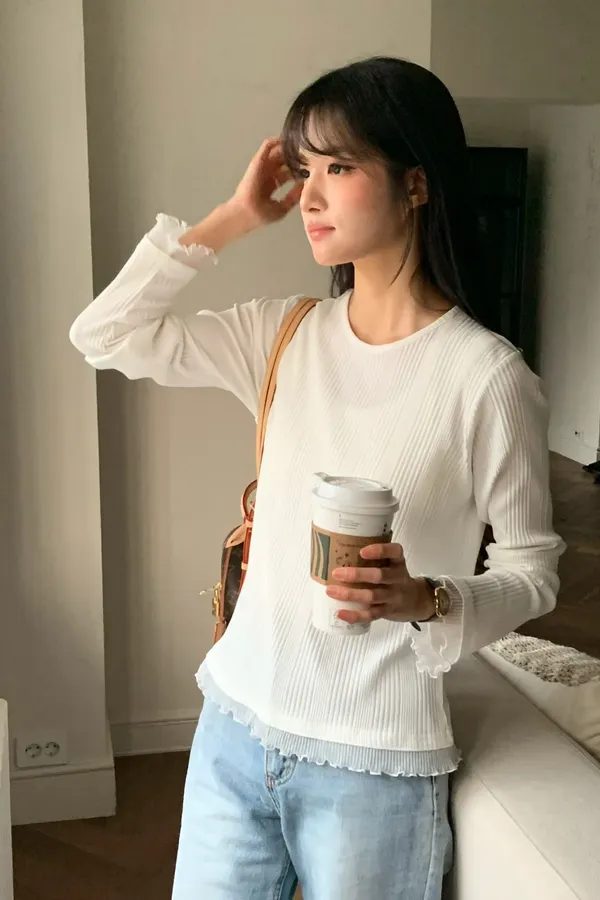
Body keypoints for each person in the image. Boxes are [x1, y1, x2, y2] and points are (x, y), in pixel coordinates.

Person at [70, 57, 564, 900]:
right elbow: (103, 335)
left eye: (339, 167)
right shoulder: (283, 335)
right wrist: (232, 218)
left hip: (373, 765)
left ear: (415, 184)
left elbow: (533, 572)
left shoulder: (488, 378)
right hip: (233, 728)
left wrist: (428, 600)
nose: (309, 195)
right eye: (304, 170)